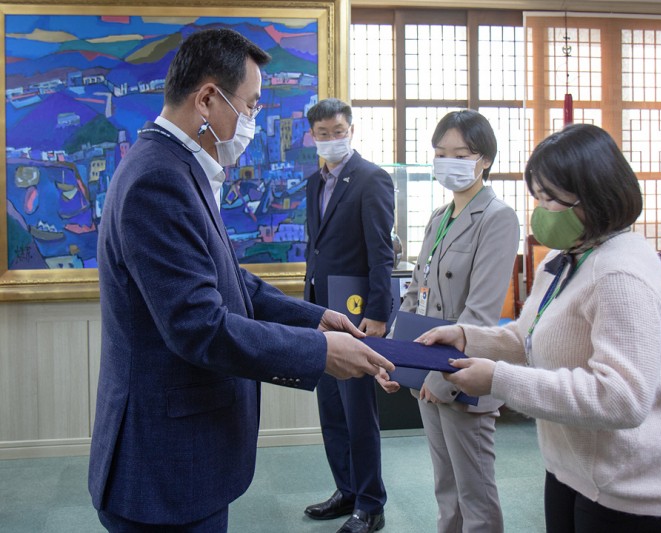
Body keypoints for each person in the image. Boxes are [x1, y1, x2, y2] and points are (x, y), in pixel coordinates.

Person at [89, 29, 394, 532]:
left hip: (186, 450)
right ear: (208, 99)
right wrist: (319, 352)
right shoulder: (159, 179)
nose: (252, 119)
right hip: (165, 465)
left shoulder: (179, 167)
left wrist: (316, 318)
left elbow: (230, 279)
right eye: (250, 105)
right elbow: (199, 326)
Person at [422, 123, 661, 533]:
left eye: (551, 198)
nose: (541, 210)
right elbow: (526, 338)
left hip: (628, 486)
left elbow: (621, 398)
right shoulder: (567, 257)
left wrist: (498, 380)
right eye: (538, 196)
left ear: (596, 196)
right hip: (570, 467)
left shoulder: (621, 273)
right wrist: (467, 337)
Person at [381, 110, 520, 532]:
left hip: (461, 375)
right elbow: (415, 293)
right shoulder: (439, 217)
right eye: (441, 154)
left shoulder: (498, 217)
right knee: (446, 489)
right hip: (426, 372)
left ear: (485, 159)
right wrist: (392, 357)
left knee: (475, 494)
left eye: (461, 155)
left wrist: (439, 377)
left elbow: (480, 312)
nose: (449, 163)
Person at [302, 98, 395, 533]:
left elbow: (381, 252)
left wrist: (378, 313)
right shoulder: (313, 183)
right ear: (313, 137)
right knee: (332, 410)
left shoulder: (372, 179)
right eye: (323, 133)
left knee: (359, 413)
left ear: (351, 130)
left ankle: (371, 504)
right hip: (321, 313)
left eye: (338, 131)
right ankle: (347, 490)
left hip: (357, 315)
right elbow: (316, 248)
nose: (332, 139)